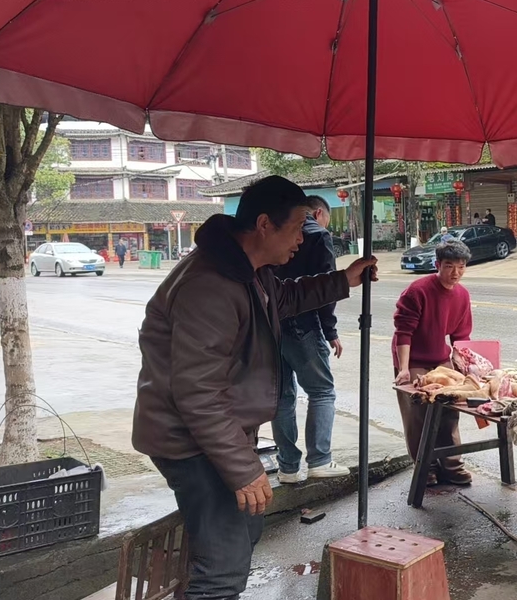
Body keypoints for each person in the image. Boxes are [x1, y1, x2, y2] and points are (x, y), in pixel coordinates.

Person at [132, 175, 378, 600]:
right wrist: (244, 469)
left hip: (215, 431)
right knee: (222, 570)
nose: (302, 238)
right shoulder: (209, 286)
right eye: (297, 226)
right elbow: (198, 393)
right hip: (189, 441)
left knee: (244, 530)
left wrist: (343, 280)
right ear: (264, 224)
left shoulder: (247, 271)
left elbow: (283, 299)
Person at [271, 196, 349, 483]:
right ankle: (320, 460)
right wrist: (330, 330)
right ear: (317, 213)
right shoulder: (318, 234)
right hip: (302, 322)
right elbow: (326, 286)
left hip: (270, 323)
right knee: (322, 391)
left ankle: (288, 468)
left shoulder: (273, 232)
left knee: (282, 396)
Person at [392, 240, 474, 487]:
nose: (455, 273)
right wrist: (404, 369)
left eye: (461, 266)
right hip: (412, 358)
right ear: (437, 265)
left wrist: (463, 361)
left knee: (450, 409)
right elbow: (403, 332)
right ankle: (425, 468)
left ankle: (452, 466)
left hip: (440, 358)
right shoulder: (417, 291)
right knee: (418, 414)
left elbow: (461, 336)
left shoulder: (462, 295)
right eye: (449, 266)